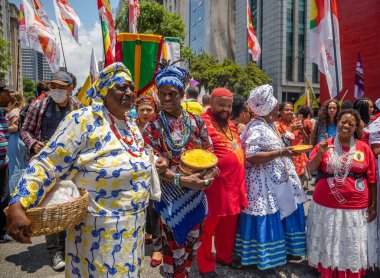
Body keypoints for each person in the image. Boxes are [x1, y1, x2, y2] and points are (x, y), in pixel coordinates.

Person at [7, 62, 168, 277]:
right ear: (104, 90)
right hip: (96, 236)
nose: (129, 91)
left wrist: (154, 160)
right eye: (121, 87)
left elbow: (134, 154)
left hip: (133, 233)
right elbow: (47, 163)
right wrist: (18, 203)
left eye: (131, 87)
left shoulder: (130, 125)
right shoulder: (83, 120)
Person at [143, 65, 217, 278]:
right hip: (171, 197)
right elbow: (153, 165)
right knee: (173, 246)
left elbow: (210, 153)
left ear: (182, 95)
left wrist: (209, 176)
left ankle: (183, 272)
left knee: (194, 242)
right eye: (162, 94)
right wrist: (181, 180)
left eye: (172, 94)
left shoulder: (196, 121)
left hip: (196, 195)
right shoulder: (153, 127)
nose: (166, 98)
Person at [235, 85, 308, 270]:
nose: (278, 110)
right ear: (267, 109)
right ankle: (263, 258)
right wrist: (281, 152)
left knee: (285, 210)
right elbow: (251, 156)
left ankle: (285, 251)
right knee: (267, 214)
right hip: (262, 184)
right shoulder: (256, 128)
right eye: (276, 107)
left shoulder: (268, 125)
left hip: (276, 181)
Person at [19, 70, 82, 271]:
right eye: (53, 86)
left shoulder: (79, 108)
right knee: (50, 207)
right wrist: (34, 144)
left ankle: (73, 247)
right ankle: (55, 251)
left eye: (61, 87)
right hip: (47, 165)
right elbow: (25, 130)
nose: (56, 90)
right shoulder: (38, 106)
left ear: (70, 89)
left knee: (72, 204)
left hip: (72, 166)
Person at [307, 109, 377, 277]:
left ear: (355, 128)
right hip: (326, 205)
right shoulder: (324, 144)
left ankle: (349, 272)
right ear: (337, 122)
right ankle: (328, 270)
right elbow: (311, 168)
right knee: (329, 239)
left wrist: (373, 205)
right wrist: (322, 152)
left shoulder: (364, 148)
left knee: (351, 241)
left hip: (355, 206)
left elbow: (372, 179)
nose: (346, 126)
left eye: (351, 124)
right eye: (343, 122)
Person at [197, 88, 248, 277]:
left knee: (228, 225)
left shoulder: (230, 124)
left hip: (234, 185)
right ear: (212, 103)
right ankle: (206, 264)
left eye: (228, 105)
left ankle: (224, 256)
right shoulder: (201, 121)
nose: (226, 109)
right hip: (214, 186)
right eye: (221, 105)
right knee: (208, 228)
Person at [135, 95, 163, 267]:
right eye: (142, 109)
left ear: (155, 111)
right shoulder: (129, 126)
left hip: (155, 171)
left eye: (149, 109)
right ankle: (146, 232)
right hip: (136, 172)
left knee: (154, 208)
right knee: (140, 205)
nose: (145, 113)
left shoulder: (159, 127)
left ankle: (158, 248)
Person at [275, 102, 308, 180]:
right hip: (286, 162)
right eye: (287, 110)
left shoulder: (295, 123)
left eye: (291, 110)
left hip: (300, 162)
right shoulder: (276, 125)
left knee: (299, 189)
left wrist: (302, 130)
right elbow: (277, 144)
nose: (290, 112)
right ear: (280, 111)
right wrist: (290, 130)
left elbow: (306, 143)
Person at [5, 91, 28, 179]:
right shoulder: (17, 110)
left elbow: (15, 127)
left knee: (14, 166)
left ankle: (13, 188)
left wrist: (3, 128)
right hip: (15, 140)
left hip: (14, 140)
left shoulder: (14, 111)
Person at [0, 82, 12, 243]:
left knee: (3, 197)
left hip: (3, 162)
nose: (9, 96)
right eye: (6, 92)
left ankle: (2, 232)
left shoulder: (2, 112)